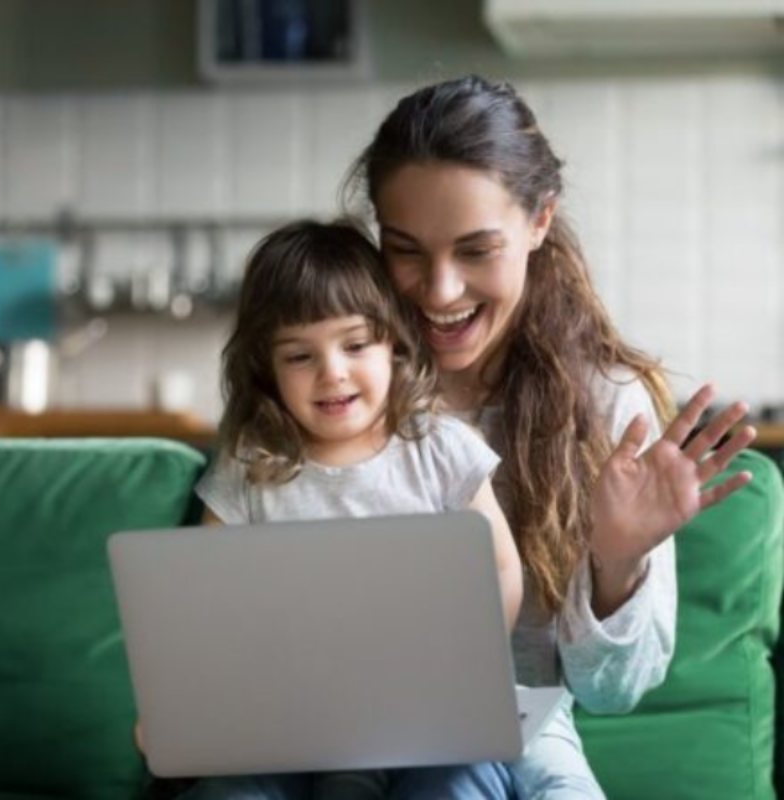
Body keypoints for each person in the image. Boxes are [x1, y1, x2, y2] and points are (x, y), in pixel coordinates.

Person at [339, 74, 757, 798]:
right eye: (405, 249)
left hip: (511, 744)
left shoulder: (604, 403)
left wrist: (616, 562)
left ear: (539, 221)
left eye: (476, 251)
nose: (439, 292)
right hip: (349, 737)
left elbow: (611, 694)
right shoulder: (344, 390)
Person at [142, 217, 524, 800]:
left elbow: (498, 567)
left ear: (393, 342)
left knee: (460, 785)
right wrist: (182, 710)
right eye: (299, 356)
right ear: (266, 369)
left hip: (420, 723)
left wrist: (469, 674)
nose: (332, 373)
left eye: (355, 344)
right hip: (282, 726)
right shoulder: (250, 464)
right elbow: (205, 605)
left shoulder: (439, 448)